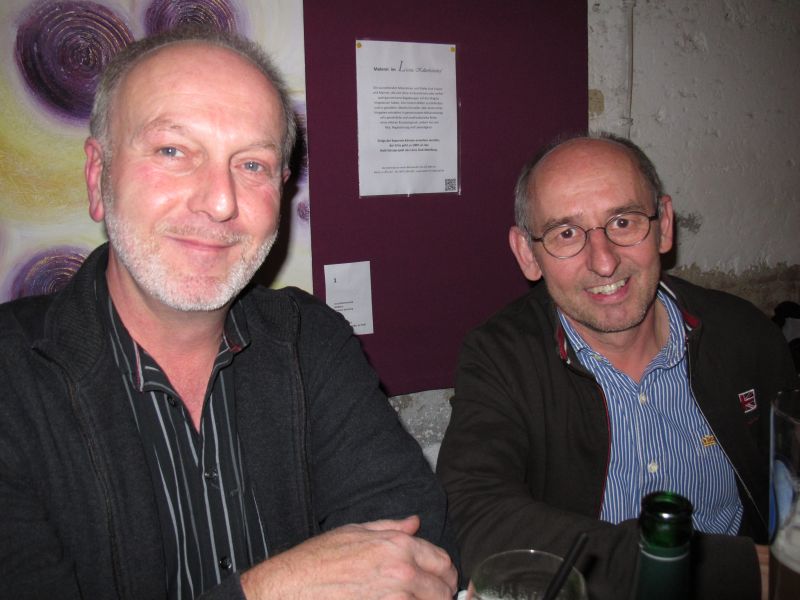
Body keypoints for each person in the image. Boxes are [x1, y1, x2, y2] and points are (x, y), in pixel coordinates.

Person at [0, 28, 457, 600]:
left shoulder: (312, 338)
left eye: (253, 165)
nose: (219, 202)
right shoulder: (11, 381)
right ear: (99, 177)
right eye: (172, 151)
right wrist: (272, 590)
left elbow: (417, 549)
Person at [437, 132, 797, 600]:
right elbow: (473, 516)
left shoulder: (745, 336)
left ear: (663, 226)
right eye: (566, 233)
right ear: (528, 253)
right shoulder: (501, 358)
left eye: (623, 222)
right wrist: (708, 570)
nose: (604, 262)